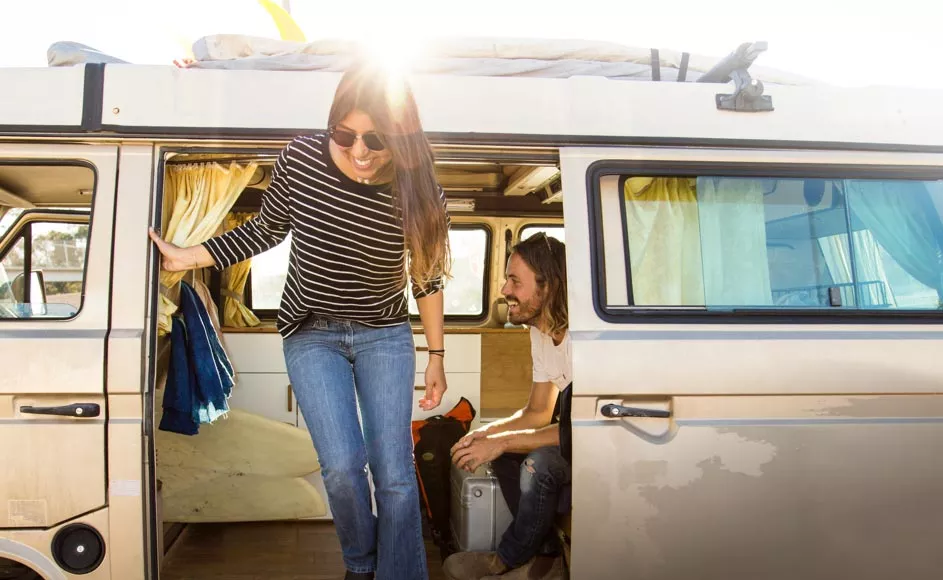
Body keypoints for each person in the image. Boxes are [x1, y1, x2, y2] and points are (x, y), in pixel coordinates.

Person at [148, 60, 451, 580]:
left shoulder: (418, 185)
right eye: (345, 134)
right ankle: (361, 565)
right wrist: (185, 256)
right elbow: (264, 232)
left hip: (384, 334)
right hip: (312, 334)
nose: (359, 151)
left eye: (376, 139)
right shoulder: (300, 159)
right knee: (341, 466)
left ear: (400, 138)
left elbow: (425, 276)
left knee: (396, 474)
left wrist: (437, 356)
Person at [444, 233, 570, 580]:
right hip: (573, 436)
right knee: (504, 452)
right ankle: (545, 559)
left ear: (549, 287)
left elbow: (576, 431)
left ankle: (505, 560)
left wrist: (501, 441)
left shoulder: (581, 339)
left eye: (515, 281)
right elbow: (538, 412)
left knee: (538, 464)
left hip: (597, 445)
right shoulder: (541, 333)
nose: (504, 290)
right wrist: (484, 434)